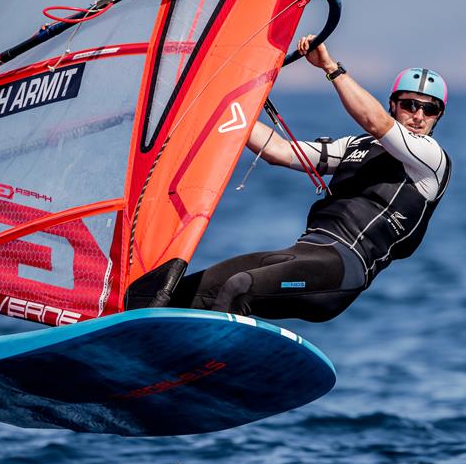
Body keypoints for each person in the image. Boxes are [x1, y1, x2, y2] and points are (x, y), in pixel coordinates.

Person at [170, 36, 451, 322]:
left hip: (341, 272)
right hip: (302, 252)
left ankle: (212, 364)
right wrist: (218, 103)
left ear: (438, 116)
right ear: (393, 104)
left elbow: (376, 123)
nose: (418, 116)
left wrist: (329, 66)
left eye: (429, 109)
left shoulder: (431, 160)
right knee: (185, 290)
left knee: (239, 288)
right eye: (409, 105)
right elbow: (278, 151)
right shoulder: (354, 147)